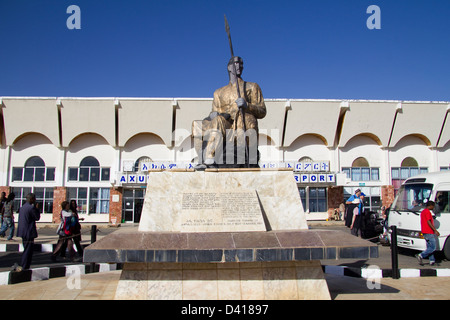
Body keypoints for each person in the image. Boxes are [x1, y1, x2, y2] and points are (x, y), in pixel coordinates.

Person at [193, 56, 267, 168]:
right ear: (229, 67)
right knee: (196, 124)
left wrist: (247, 106)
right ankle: (202, 158)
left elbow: (262, 111)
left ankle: (209, 157)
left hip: (239, 125)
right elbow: (215, 112)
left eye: (241, 64)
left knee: (218, 120)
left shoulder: (251, 87)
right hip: (223, 124)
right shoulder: (218, 92)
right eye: (236, 63)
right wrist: (212, 115)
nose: (239, 66)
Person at [15, 193, 40, 271]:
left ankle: (25, 265)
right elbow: (37, 217)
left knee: (26, 248)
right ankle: (24, 265)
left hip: (23, 231)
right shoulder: (31, 208)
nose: (35, 200)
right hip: (29, 232)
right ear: (31, 199)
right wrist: (37, 209)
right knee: (28, 250)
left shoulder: (22, 208)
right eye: (34, 198)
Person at [416, 200, 440, 266]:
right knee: (433, 247)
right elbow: (428, 221)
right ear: (430, 206)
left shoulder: (423, 212)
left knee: (429, 246)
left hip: (424, 231)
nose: (433, 208)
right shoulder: (427, 212)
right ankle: (421, 255)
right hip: (429, 231)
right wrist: (435, 230)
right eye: (433, 206)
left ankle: (432, 261)